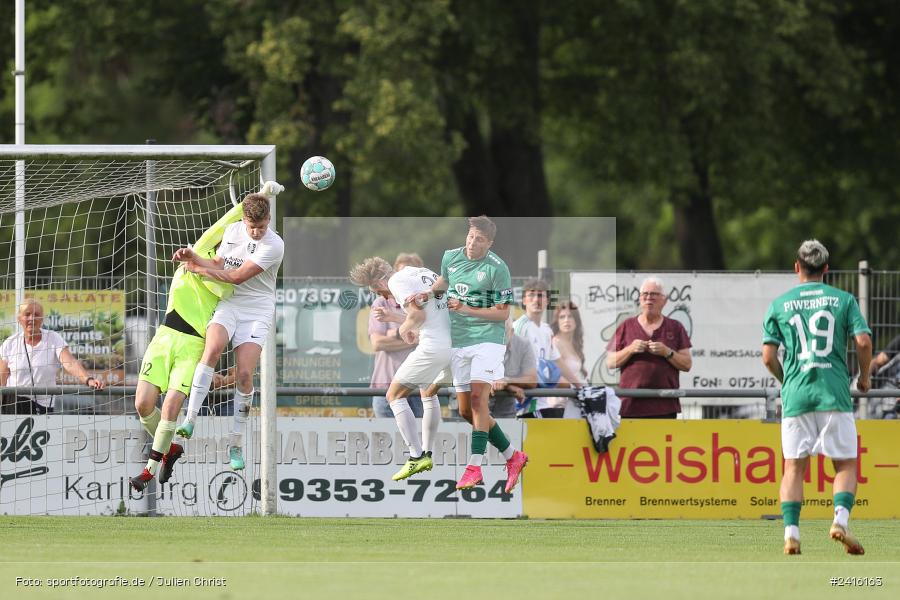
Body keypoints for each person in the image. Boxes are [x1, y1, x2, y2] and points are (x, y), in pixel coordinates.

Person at [128, 192, 253, 491]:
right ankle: (170, 449)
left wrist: (203, 268)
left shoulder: (227, 281)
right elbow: (221, 225)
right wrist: (253, 201)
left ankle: (148, 471)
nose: (224, 245)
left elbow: (228, 281)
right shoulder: (196, 254)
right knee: (143, 404)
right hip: (164, 338)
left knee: (172, 405)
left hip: (193, 345)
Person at [762, 239, 872, 556]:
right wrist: (864, 377)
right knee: (846, 464)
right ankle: (840, 520)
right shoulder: (844, 299)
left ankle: (791, 534)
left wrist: (787, 382)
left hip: (796, 395)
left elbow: (768, 357)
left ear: (796, 267)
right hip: (833, 392)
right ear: (826, 269)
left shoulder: (779, 304)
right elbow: (863, 342)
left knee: (793, 468)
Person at [175, 191, 285, 472]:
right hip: (231, 303)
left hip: (257, 310)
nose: (257, 232)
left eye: (262, 227)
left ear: (269, 219)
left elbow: (236, 276)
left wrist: (198, 270)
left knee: (245, 374)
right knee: (212, 350)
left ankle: (235, 443)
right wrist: (193, 256)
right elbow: (219, 264)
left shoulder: (274, 245)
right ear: (244, 220)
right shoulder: (233, 231)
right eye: (252, 227)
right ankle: (189, 419)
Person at [430, 215, 528, 492]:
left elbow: (503, 314)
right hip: (459, 341)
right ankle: (513, 456)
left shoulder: (498, 268)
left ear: (489, 243)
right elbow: (442, 283)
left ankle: (474, 468)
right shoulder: (450, 257)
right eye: (471, 236)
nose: (473, 243)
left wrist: (465, 309)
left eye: (480, 239)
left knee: (477, 399)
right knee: (466, 410)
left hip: (488, 341)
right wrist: (424, 296)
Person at [349, 256, 448, 481]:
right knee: (428, 392)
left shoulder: (395, 282)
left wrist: (404, 329)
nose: (383, 296)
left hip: (433, 346)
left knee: (393, 395)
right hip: (452, 343)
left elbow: (418, 315)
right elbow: (429, 311)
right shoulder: (419, 272)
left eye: (377, 291)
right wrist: (406, 322)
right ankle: (427, 452)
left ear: (380, 282)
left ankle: (416, 456)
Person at [606, 277, 692, 418]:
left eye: (654, 294)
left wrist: (667, 352)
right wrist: (630, 349)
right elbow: (610, 362)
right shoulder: (626, 325)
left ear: (664, 300)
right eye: (644, 294)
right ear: (640, 299)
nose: (648, 298)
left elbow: (687, 364)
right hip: (630, 406)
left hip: (665, 407)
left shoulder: (676, 327)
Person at [0, 298, 105, 414]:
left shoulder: (53, 338)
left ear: (42, 319)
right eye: (27, 314)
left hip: (42, 405)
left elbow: (70, 363)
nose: (32, 318)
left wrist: (88, 380)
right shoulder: (10, 343)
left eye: (36, 314)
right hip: (13, 403)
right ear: (19, 318)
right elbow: (2, 377)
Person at [513, 280, 587, 418]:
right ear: (524, 300)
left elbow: (557, 361)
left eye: (541, 295)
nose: (536, 300)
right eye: (531, 295)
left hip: (542, 400)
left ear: (547, 300)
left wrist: (579, 386)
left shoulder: (546, 330)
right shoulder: (519, 327)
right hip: (523, 401)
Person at [367, 253, 424, 418]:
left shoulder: (423, 302)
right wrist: (413, 338)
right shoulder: (381, 303)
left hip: (417, 389)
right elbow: (377, 343)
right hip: (385, 386)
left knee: (420, 434)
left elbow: (428, 333)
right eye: (399, 273)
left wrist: (393, 334)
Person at [549, 299, 589, 418]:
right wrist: (577, 386)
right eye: (562, 317)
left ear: (576, 320)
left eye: (570, 316)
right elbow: (551, 376)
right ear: (557, 321)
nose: (566, 320)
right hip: (558, 405)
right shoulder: (555, 343)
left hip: (576, 403)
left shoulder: (576, 344)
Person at [490, 318, 537, 418]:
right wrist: (509, 386)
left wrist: (507, 381)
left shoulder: (523, 344)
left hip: (506, 413)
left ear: (511, 332)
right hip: (475, 412)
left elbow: (532, 380)